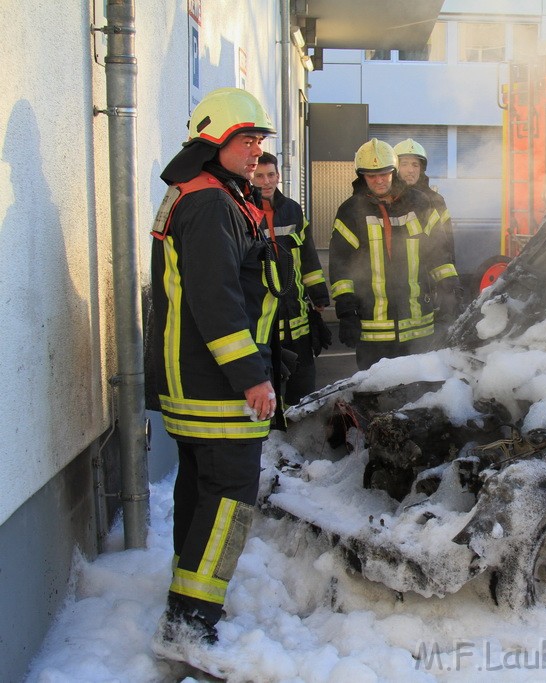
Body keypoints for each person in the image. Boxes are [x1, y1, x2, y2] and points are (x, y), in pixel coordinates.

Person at [146, 87, 284, 673]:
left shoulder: (211, 195)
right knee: (230, 495)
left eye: (258, 141)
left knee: (199, 491)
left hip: (196, 380)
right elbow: (217, 301)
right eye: (244, 140)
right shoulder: (209, 205)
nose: (255, 151)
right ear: (212, 143)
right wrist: (252, 376)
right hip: (215, 384)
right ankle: (188, 625)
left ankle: (186, 597)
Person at [329, 138, 460, 370]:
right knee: (374, 396)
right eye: (372, 176)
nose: (379, 181)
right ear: (362, 176)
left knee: (421, 392)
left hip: (419, 326)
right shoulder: (350, 211)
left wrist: (450, 294)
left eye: (384, 174)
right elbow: (341, 265)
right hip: (373, 331)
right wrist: (346, 312)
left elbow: (439, 255)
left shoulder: (420, 204)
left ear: (393, 172)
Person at [253, 152, 332, 406]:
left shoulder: (293, 210)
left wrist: (318, 294)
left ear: (278, 176)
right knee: (271, 396)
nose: (267, 182)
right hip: (265, 327)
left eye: (271, 175)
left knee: (303, 392)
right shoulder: (243, 211)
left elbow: (308, 256)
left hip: (298, 320)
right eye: (260, 176)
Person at [393, 138, 462, 327]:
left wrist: (449, 289)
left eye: (415, 164)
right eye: (404, 164)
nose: (410, 170)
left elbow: (447, 245)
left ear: (422, 169)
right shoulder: (388, 199)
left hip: (427, 284)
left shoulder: (435, 200)